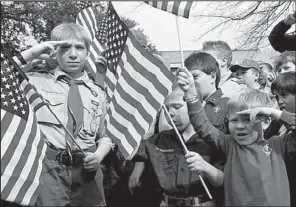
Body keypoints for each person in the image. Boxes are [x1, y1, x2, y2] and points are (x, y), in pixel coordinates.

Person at [14, 22, 113, 206]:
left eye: (79, 48)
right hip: (49, 170)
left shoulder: (98, 93)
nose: (73, 54)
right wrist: (30, 55)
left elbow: (106, 136)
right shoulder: (35, 82)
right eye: (65, 48)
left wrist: (98, 156)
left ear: (88, 53)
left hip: (87, 172)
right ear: (54, 52)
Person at [177, 66, 296, 205]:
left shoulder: (278, 145)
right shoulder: (229, 144)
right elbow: (204, 127)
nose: (239, 126)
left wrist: (272, 112)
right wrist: (191, 94)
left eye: (247, 119)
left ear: (266, 122)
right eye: (234, 120)